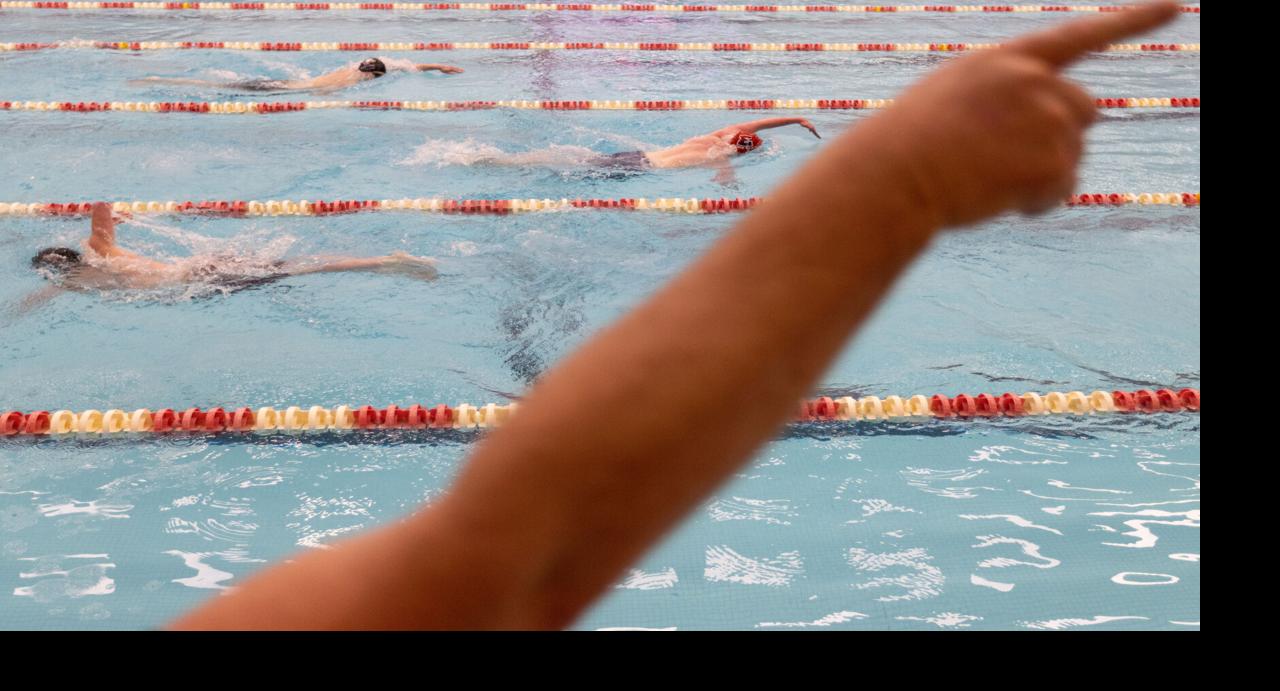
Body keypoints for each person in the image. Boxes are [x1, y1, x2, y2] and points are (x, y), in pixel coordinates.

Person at [170, 3, 1182, 631]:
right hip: (619, 174)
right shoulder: (708, 144)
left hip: (615, 175)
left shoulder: (709, 149)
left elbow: (509, 561)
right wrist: (889, 184)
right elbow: (520, 555)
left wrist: (874, 173)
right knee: (504, 176)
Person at [17, 202, 435, 311]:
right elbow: (101, 213)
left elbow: (38, 300)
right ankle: (381, 261)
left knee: (302, 269)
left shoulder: (79, 280)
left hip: (198, 281)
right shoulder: (103, 253)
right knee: (299, 266)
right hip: (202, 270)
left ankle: (384, 262)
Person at [460, 117, 821, 175]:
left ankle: (502, 159)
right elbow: (724, 180)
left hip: (639, 156)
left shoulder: (713, 137)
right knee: (573, 168)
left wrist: (797, 118)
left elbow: (754, 122)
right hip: (641, 170)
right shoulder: (721, 156)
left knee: (580, 158)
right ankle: (503, 163)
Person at [135, 57, 463, 93]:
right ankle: (162, 81)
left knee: (220, 83)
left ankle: (164, 80)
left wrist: (439, 67)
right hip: (284, 89)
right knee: (216, 86)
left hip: (289, 84)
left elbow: (416, 66)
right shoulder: (355, 79)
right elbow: (416, 67)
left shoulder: (355, 68)